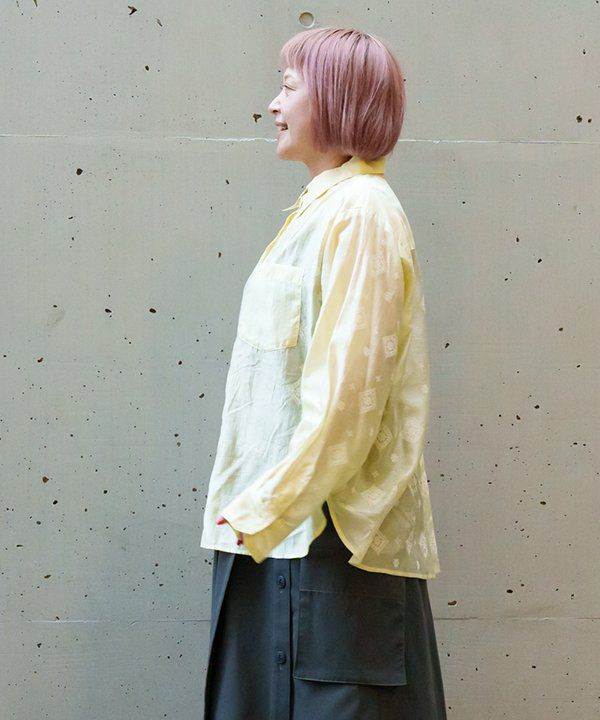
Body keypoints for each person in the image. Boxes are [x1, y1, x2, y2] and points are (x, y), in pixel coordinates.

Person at [200, 26, 447, 720]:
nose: (273, 104)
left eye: (288, 87)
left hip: (325, 544)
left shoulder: (362, 214)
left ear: (336, 100)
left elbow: (349, 396)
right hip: (283, 534)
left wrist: (262, 509)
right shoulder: (322, 210)